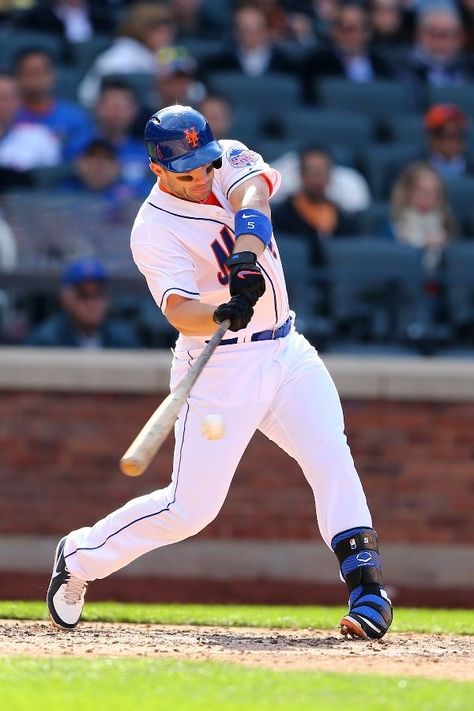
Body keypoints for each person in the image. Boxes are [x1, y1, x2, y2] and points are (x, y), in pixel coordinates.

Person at [46, 104, 393, 642]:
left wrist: (247, 258)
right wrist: (220, 312)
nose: (201, 178)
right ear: (158, 170)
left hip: (286, 348)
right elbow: (178, 310)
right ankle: (80, 556)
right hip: (220, 366)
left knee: (329, 454)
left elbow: (254, 195)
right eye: (186, 172)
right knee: (191, 510)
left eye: (204, 165)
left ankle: (367, 588)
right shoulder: (152, 228)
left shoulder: (226, 157)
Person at [26, 255, 140, 349]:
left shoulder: (124, 340)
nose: (92, 303)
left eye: (98, 294)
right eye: (83, 295)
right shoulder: (45, 341)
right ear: (66, 299)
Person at [78, 2, 178, 108]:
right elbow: (88, 94)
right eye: (160, 31)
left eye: (168, 31)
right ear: (142, 30)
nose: (167, 36)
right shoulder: (119, 55)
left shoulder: (169, 54)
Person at [272, 146, 356, 266]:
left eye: (323, 171)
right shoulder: (283, 215)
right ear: (301, 174)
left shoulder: (341, 216)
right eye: (313, 172)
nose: (318, 178)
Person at [303, 1, 397, 102]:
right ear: (333, 31)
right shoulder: (317, 65)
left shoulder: (383, 66)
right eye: (343, 28)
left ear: (368, 33)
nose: (348, 36)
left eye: (353, 29)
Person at [14, 48, 93, 160]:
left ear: (53, 76)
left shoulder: (74, 117)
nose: (34, 79)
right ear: (17, 78)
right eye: (28, 73)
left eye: (39, 73)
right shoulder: (8, 113)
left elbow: (81, 160)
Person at [381, 161, 456, 272]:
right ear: (407, 192)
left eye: (435, 191)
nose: (429, 196)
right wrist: (421, 246)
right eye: (422, 190)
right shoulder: (391, 228)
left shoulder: (448, 225)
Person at [0, 72, 61, 190]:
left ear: (18, 102)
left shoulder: (40, 138)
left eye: (6, 98)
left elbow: (49, 186)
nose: (1, 104)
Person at [93, 79, 153, 196]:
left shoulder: (148, 153)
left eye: (121, 107)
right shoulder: (81, 148)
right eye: (110, 106)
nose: (115, 114)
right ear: (97, 108)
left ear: (134, 111)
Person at [406, 5, 474, 90]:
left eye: (447, 34)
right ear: (419, 35)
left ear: (460, 38)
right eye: (434, 33)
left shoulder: (470, 68)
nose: (441, 42)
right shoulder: (400, 69)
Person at [422, 103, 474, 179]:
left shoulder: (472, 167)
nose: (453, 141)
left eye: (458, 134)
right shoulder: (417, 166)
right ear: (432, 139)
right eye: (447, 135)